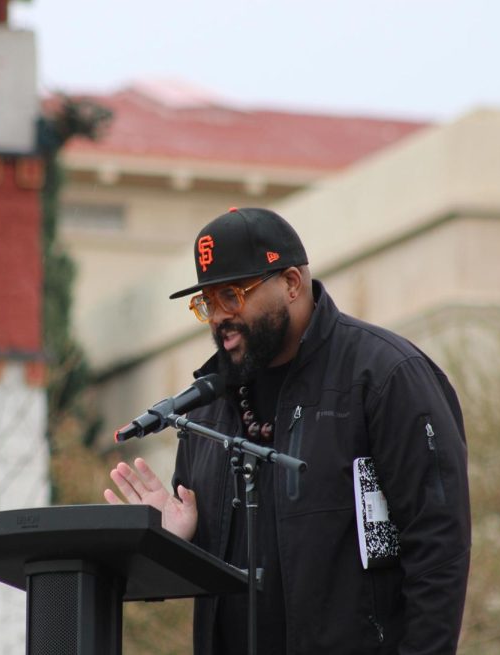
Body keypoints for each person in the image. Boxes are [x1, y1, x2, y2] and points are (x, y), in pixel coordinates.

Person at [104, 207, 470, 654]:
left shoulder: (385, 376)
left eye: (232, 296)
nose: (219, 317)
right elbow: (228, 564)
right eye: (207, 303)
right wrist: (181, 541)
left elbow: (437, 547)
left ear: (292, 284)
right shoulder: (207, 407)